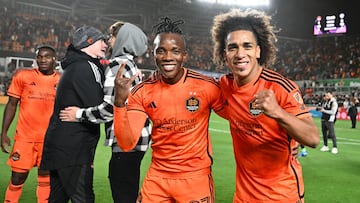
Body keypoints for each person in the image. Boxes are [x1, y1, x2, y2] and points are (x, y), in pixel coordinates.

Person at [113, 17, 227, 203]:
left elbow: (237, 116)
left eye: (175, 51)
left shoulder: (206, 86)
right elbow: (126, 143)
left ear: (185, 55)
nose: (168, 57)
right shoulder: (142, 91)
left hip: (195, 179)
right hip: (158, 178)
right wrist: (119, 103)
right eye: (161, 51)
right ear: (153, 54)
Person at [211, 9, 320, 202]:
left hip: (282, 196)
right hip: (243, 196)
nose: (240, 54)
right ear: (224, 53)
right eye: (233, 47)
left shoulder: (280, 87)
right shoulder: (224, 86)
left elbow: (312, 138)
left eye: (247, 46)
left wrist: (278, 113)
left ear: (258, 51)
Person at [58, 21, 151, 203]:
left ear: (124, 39)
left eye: (113, 36)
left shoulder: (117, 66)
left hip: (127, 141)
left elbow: (110, 109)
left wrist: (78, 114)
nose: (109, 41)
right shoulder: (131, 65)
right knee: (128, 190)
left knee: (123, 193)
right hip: (138, 138)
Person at [40, 25, 108, 202]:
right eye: (102, 41)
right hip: (74, 150)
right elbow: (99, 107)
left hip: (62, 146)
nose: (106, 45)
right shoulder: (86, 66)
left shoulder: (76, 65)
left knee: (57, 198)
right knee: (83, 198)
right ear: (89, 42)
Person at [1, 45, 60, 203]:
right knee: (17, 177)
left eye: (47, 57)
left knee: (45, 177)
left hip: (49, 140)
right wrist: (4, 132)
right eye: (40, 56)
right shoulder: (23, 76)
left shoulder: (61, 81)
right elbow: (12, 105)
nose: (42, 60)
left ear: (54, 59)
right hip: (24, 138)